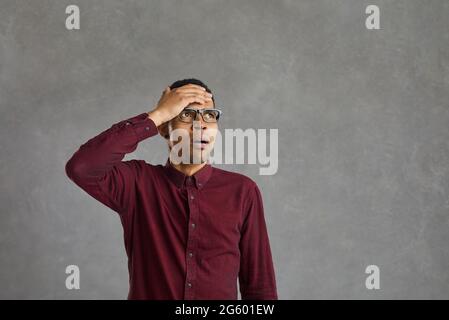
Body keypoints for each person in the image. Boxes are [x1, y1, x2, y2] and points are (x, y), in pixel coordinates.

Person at [65, 78, 278, 300]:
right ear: (165, 129)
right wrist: (156, 115)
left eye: (209, 115)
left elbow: (260, 289)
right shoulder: (137, 183)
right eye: (186, 115)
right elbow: (82, 167)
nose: (200, 124)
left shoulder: (243, 191)